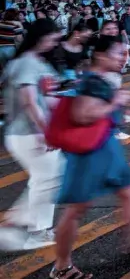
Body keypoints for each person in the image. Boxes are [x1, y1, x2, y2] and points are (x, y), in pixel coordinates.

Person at [49, 35, 130, 279]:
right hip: (90, 153)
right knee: (76, 210)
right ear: (101, 56)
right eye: (117, 53)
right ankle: (62, 267)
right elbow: (82, 116)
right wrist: (114, 101)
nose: (122, 57)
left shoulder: (100, 80)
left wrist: (121, 109)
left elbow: (102, 113)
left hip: (106, 147)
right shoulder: (91, 81)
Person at [0, 19, 64, 251]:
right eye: (52, 38)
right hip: (27, 133)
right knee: (46, 181)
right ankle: (35, 231)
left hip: (32, 132)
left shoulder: (36, 62)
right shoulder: (26, 63)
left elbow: (45, 98)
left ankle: (34, 226)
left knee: (47, 179)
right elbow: (29, 102)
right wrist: (43, 131)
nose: (54, 43)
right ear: (40, 37)